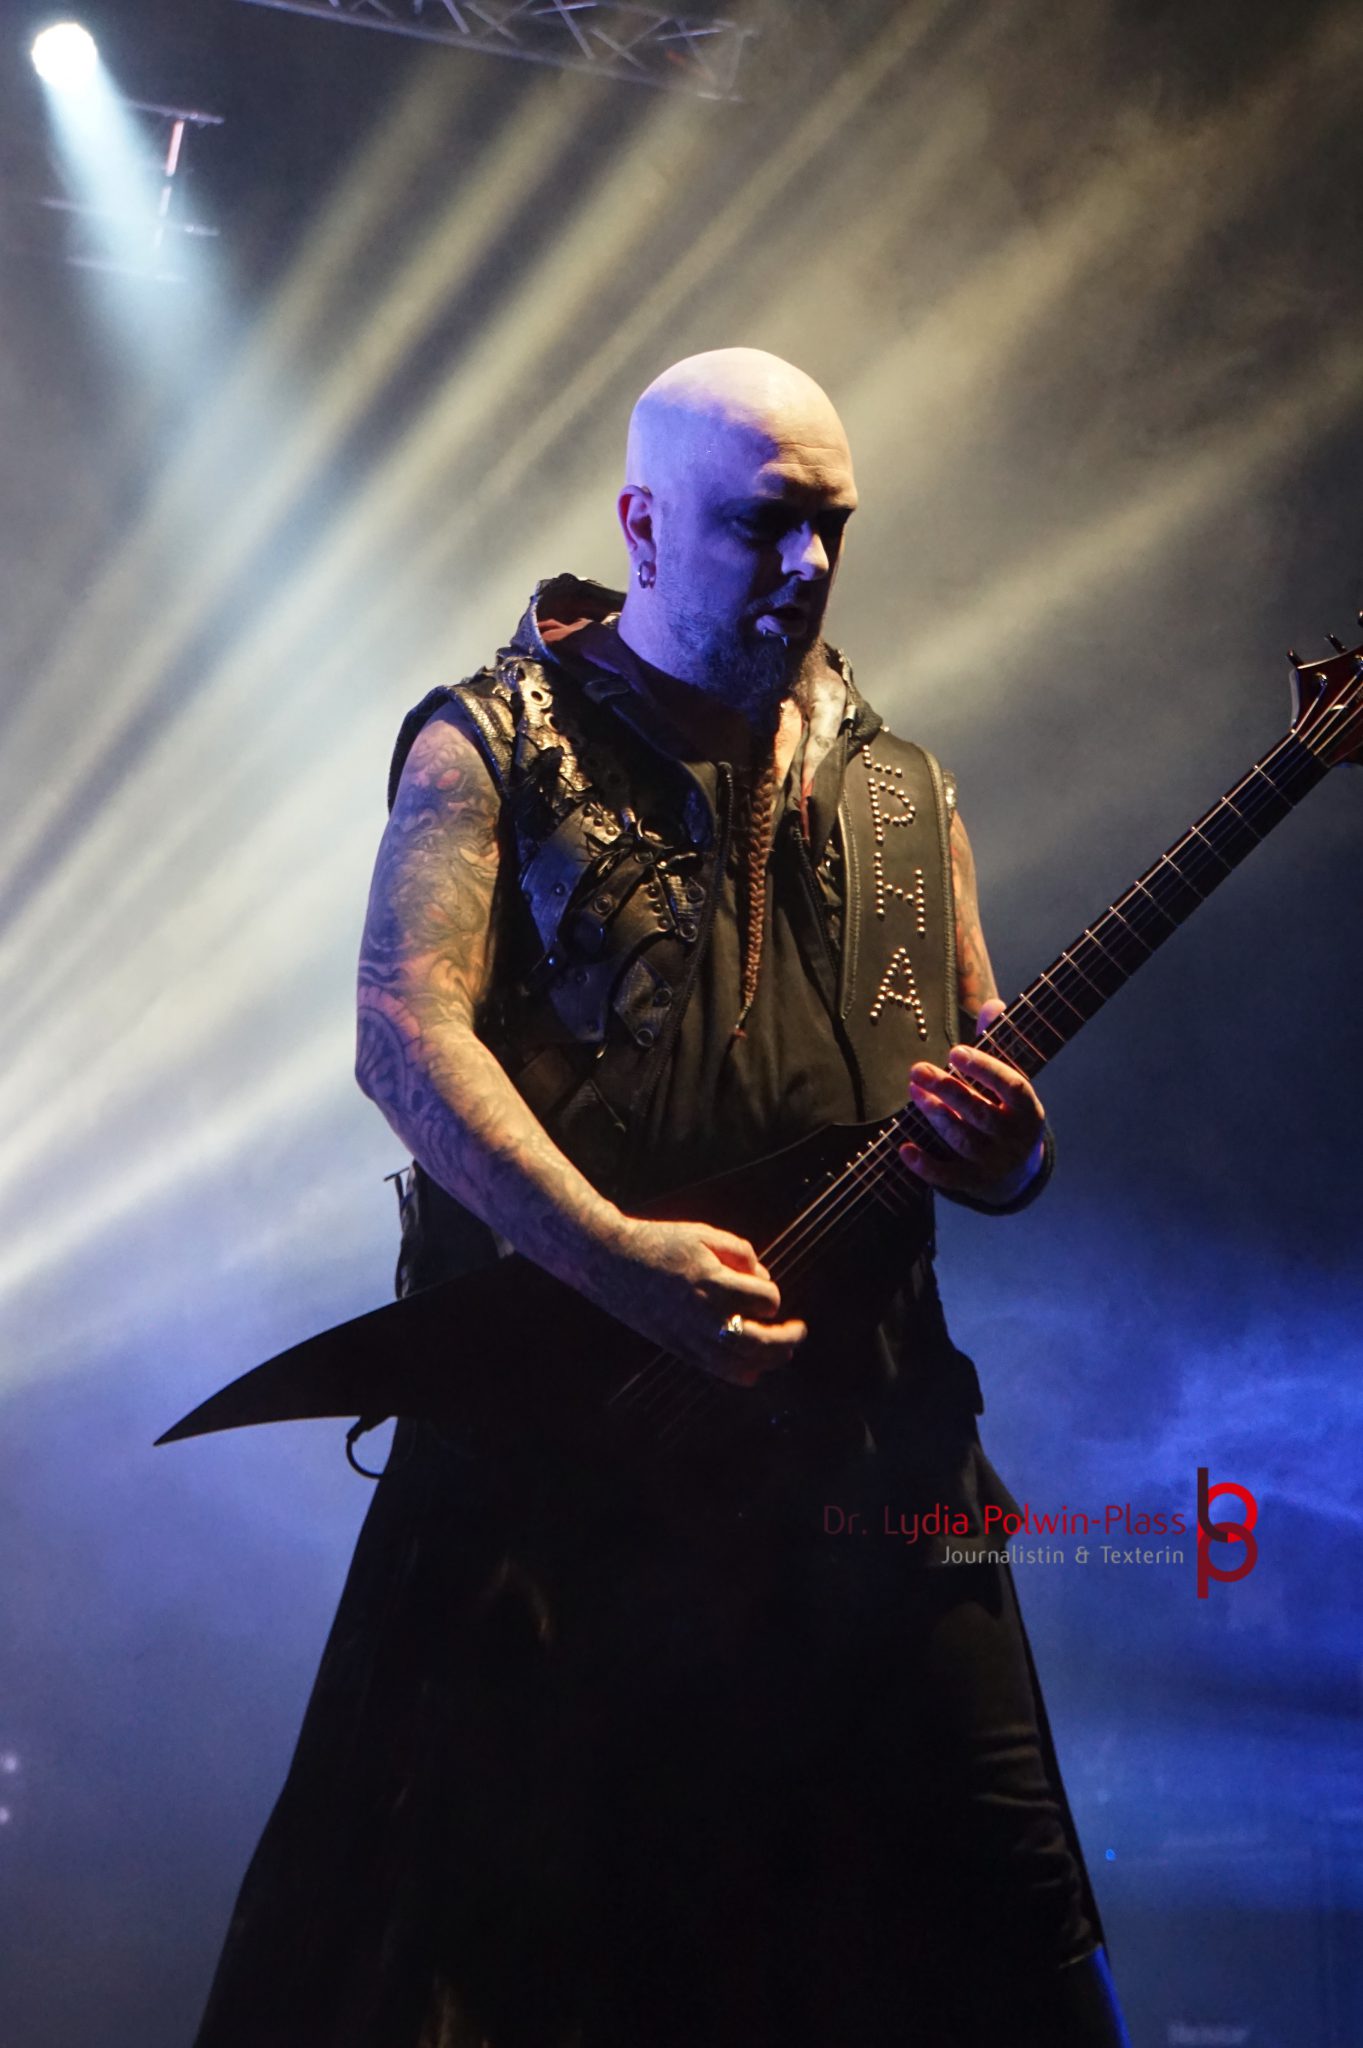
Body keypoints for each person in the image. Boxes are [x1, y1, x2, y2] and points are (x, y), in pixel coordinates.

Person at [192, 349, 1132, 2046]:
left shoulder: (905, 790)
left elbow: (979, 1062)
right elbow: (405, 1035)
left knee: (1015, 1947)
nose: (810, 564)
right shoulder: (491, 742)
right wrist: (612, 1257)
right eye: (765, 523)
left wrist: (1015, 1157)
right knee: (511, 1957)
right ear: (641, 522)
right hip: (570, 1466)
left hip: (875, 1464)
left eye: (833, 524)